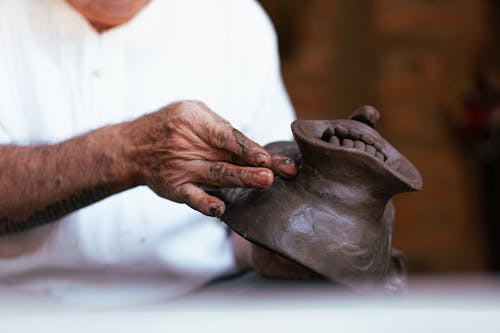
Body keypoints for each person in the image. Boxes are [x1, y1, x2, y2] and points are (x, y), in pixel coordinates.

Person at [0, 0, 298, 307]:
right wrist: (130, 152)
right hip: (16, 306)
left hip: (204, 301)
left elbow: (259, 195)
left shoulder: (235, 19)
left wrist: (263, 249)